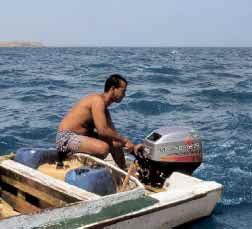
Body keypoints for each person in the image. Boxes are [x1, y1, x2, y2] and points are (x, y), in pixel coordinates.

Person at [56, 74, 142, 169]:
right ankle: (83, 169)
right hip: (65, 138)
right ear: (113, 89)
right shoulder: (97, 101)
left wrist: (133, 148)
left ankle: (123, 172)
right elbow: (103, 131)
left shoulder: (104, 109)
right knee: (103, 148)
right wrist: (125, 140)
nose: (125, 95)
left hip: (82, 137)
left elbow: (113, 135)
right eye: (123, 91)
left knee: (117, 144)